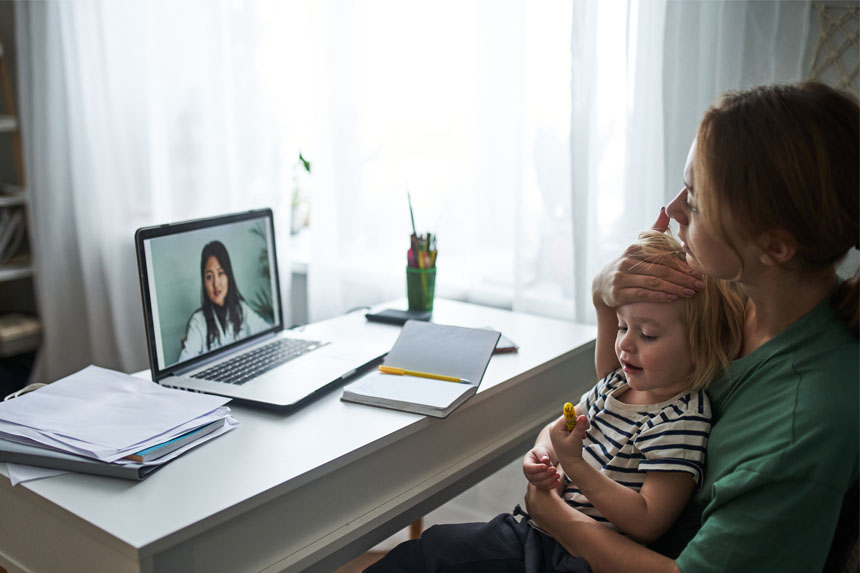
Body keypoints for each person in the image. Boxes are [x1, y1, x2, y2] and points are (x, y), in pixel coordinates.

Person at [521, 82, 859, 572]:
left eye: (697, 202)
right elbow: (632, 399)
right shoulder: (726, 297)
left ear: (777, 247)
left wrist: (550, 513)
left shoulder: (806, 419)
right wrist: (604, 296)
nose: (675, 208)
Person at [367, 230, 746, 572]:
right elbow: (558, 429)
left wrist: (575, 464)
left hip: (573, 558)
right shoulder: (616, 383)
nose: (625, 343)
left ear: (700, 345)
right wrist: (542, 456)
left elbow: (648, 520)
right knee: (426, 551)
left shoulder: (682, 420)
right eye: (622, 326)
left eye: (647, 334)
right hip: (536, 531)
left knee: (432, 558)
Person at [178, 240, 271, 362]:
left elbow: (269, 333)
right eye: (209, 276)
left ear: (228, 276)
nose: (216, 284)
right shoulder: (198, 322)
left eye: (221, 273)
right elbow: (184, 362)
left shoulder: (241, 310)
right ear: (204, 282)